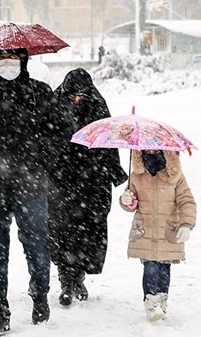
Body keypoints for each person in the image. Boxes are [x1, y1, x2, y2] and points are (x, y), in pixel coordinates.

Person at [0, 48, 68, 334]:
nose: (8, 66)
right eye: (1, 61)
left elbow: (62, 131)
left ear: (24, 62)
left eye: (13, 61)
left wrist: (39, 155)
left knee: (37, 247)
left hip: (31, 185)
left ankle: (40, 295)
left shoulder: (39, 92)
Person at [48, 68, 129, 306]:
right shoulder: (53, 104)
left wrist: (115, 173)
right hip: (61, 180)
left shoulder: (98, 106)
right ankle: (65, 278)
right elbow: (43, 139)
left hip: (92, 180)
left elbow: (109, 142)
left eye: (81, 97)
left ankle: (79, 276)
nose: (76, 101)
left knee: (88, 232)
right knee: (62, 230)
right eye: (72, 96)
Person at [119, 149, 197, 322]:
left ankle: (162, 301)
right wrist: (126, 200)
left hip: (167, 231)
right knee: (150, 267)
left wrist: (186, 224)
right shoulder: (137, 175)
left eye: (155, 147)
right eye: (147, 147)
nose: (151, 150)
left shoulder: (175, 175)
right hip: (145, 230)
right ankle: (151, 303)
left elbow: (187, 201)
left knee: (164, 269)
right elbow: (132, 202)